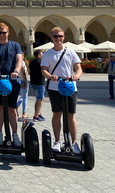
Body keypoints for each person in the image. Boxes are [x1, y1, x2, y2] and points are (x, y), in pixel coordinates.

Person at [41, 26, 83, 154]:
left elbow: (78, 67)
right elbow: (43, 69)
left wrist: (77, 75)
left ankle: (74, 142)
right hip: (55, 88)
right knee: (57, 113)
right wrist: (49, 76)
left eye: (60, 36)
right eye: (55, 36)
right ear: (52, 37)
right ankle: (57, 141)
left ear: (64, 37)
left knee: (71, 115)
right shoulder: (48, 54)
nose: (58, 38)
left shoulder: (71, 52)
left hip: (70, 88)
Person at [0, 23, 23, 147]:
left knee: (12, 109)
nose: (1, 35)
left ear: (8, 33)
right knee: (0, 107)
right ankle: (0, 134)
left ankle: (15, 135)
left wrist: (16, 72)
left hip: (11, 81)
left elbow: (19, 60)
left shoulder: (15, 45)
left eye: (4, 32)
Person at [29, 50, 46, 121]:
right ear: (39, 55)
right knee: (39, 99)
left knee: (41, 98)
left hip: (33, 82)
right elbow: (45, 72)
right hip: (40, 83)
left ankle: (38, 112)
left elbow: (29, 72)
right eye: (42, 55)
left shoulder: (31, 63)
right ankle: (36, 115)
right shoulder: (41, 63)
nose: (43, 56)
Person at [16, 54, 30, 119]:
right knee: (25, 97)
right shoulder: (22, 63)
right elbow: (23, 72)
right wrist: (26, 81)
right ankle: (24, 113)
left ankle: (16, 106)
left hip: (16, 80)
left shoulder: (14, 63)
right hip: (22, 80)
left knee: (19, 96)